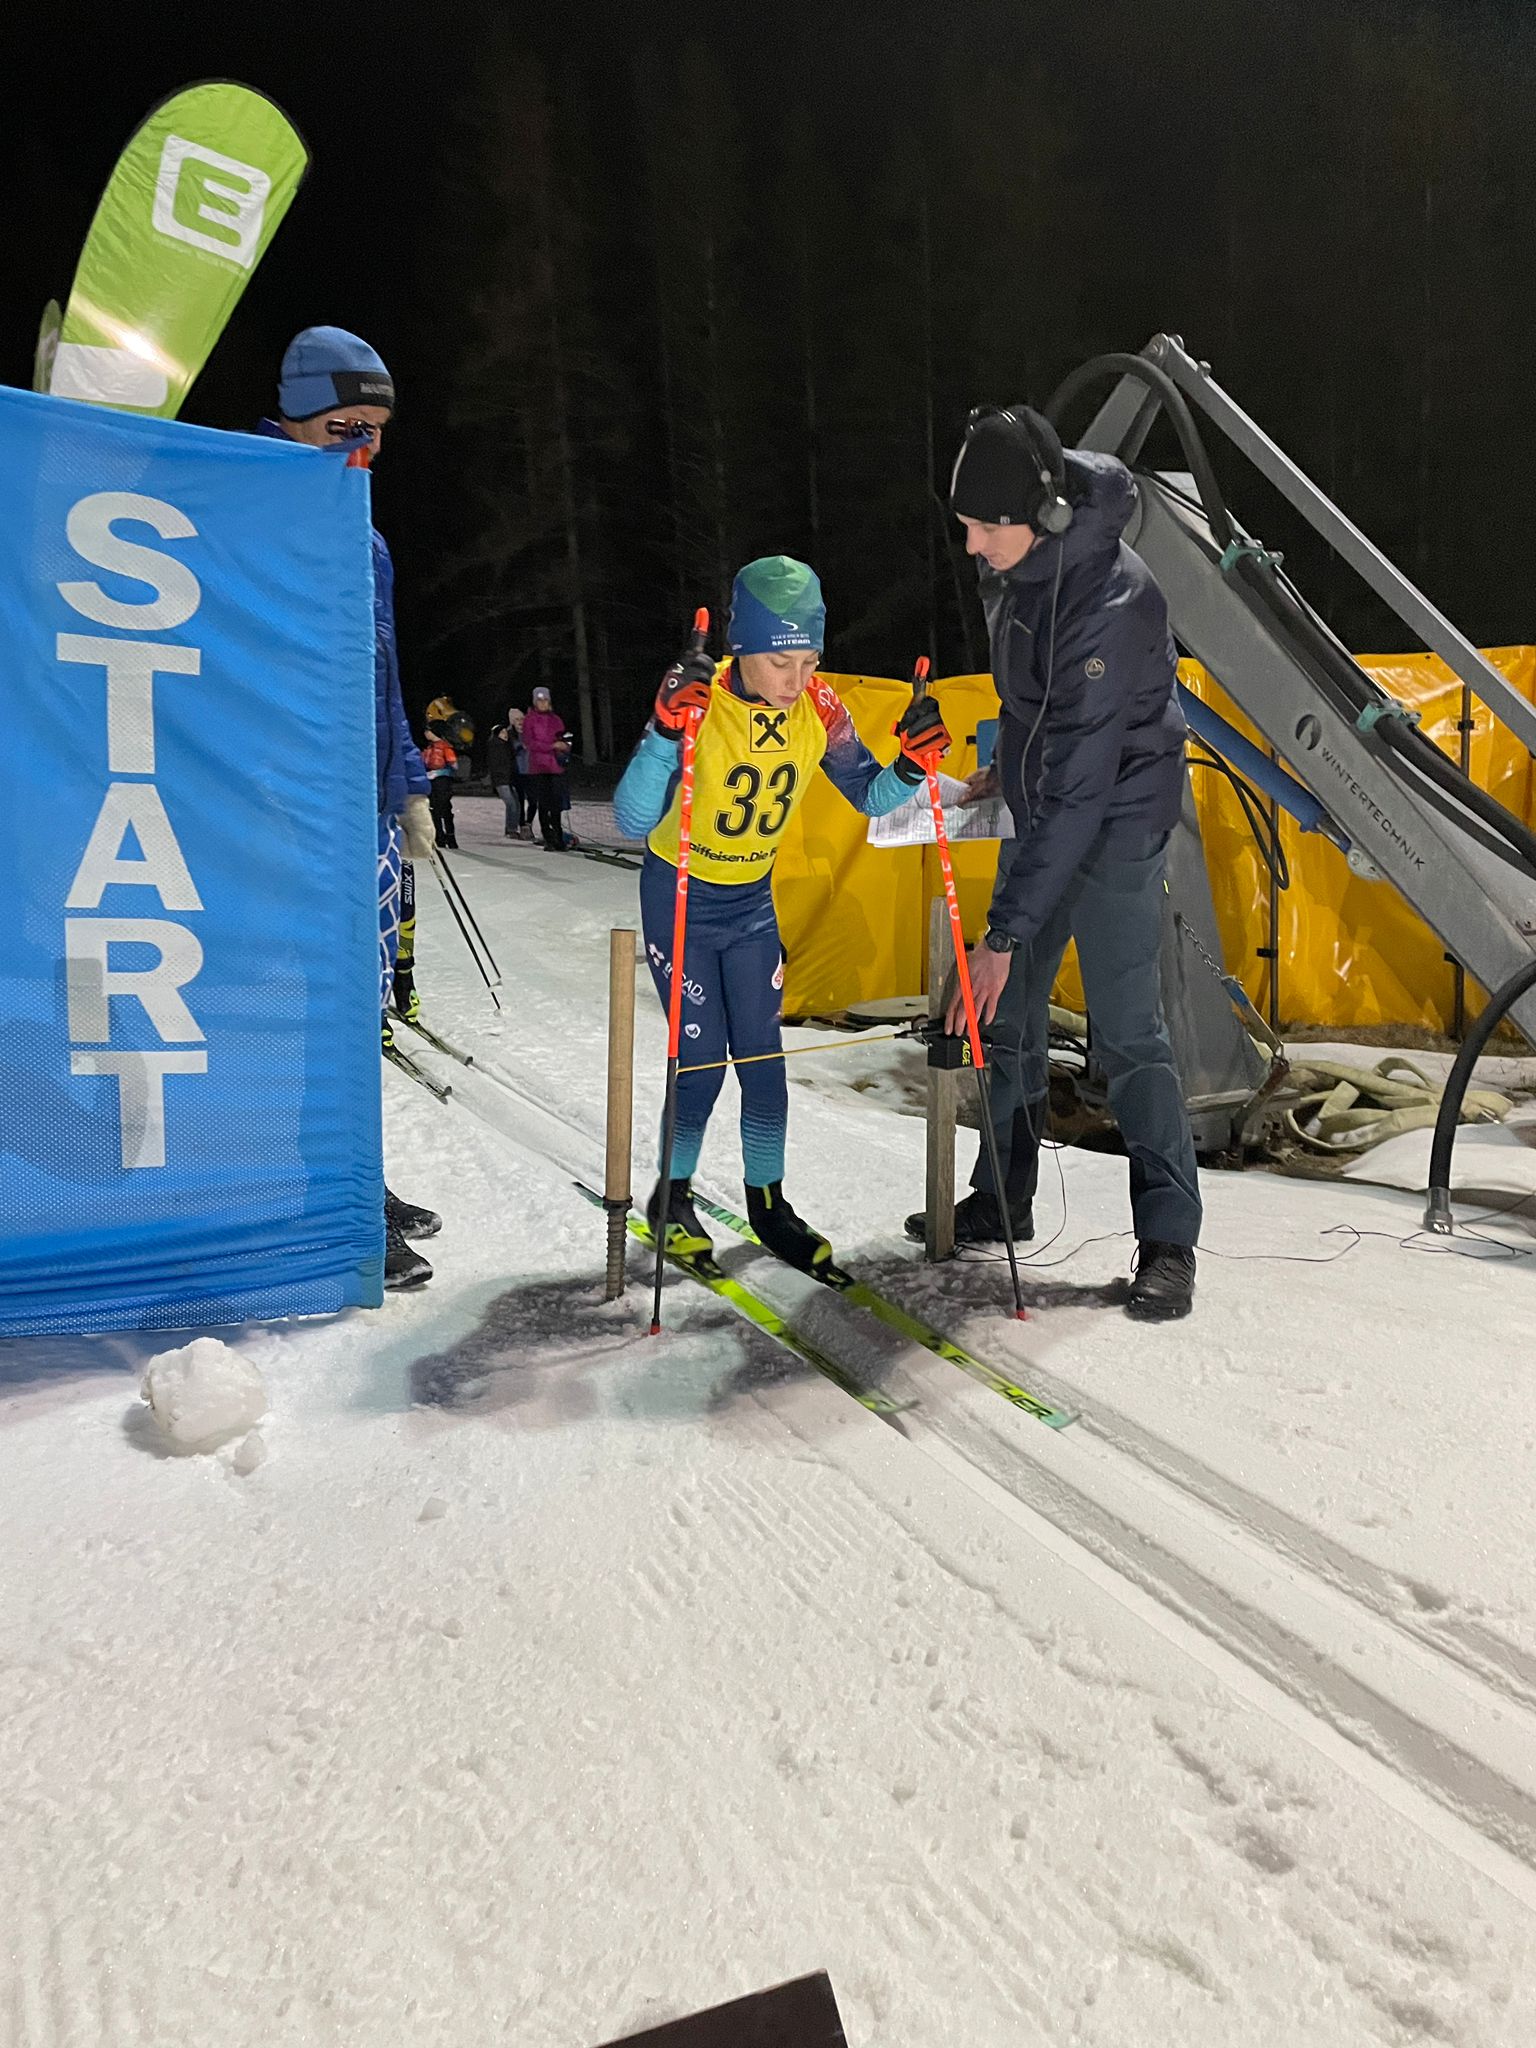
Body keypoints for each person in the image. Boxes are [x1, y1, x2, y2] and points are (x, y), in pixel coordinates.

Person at [906, 403, 1200, 1321]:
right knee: (1008, 1014)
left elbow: (1083, 784)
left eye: (983, 528)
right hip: (1053, 799)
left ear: (1044, 514)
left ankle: (1169, 1238)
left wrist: (1000, 936)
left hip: (1117, 818)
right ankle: (1005, 1196)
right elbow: (1036, 709)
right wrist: (1004, 768)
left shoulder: (1112, 601)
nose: (970, 545)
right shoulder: (1020, 557)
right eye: (964, 524)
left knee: (1126, 1028)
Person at [614, 556, 948, 1268]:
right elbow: (632, 819)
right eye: (779, 662)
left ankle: (769, 1204)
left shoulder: (821, 707)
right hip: (682, 897)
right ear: (740, 649)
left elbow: (871, 798)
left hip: (750, 903)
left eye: (810, 661)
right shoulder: (700, 699)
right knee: (701, 1061)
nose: (797, 681)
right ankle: (671, 1197)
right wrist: (664, 733)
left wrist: (911, 765)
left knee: (763, 1063)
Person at [261, 325, 441, 1290]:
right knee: (310, 1013)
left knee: (360, 1013)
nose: (363, 448)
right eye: (343, 427)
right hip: (290, 812)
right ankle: (320, 1195)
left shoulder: (365, 535)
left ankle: (353, 1173)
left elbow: (387, 679)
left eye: (376, 430)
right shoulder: (247, 506)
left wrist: (409, 785)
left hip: (363, 815)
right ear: (295, 416)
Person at [522, 686, 572, 849]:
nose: (543, 703)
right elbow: (529, 743)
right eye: (539, 700)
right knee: (544, 803)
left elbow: (564, 737)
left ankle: (558, 836)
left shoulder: (556, 719)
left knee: (556, 804)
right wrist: (551, 746)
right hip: (539, 767)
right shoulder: (530, 720)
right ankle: (549, 838)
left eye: (545, 700)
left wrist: (565, 746)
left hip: (556, 766)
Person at [422, 720, 459, 848]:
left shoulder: (445, 747)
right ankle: (439, 837)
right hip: (431, 780)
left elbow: (454, 765)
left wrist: (440, 771)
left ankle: (450, 836)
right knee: (434, 810)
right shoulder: (429, 747)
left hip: (442, 781)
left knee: (444, 808)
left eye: (428, 731)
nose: (426, 733)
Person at [487, 722, 521, 838]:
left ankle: (512, 828)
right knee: (511, 804)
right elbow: (496, 765)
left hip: (509, 779)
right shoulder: (495, 747)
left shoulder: (506, 746)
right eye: (502, 732)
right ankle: (511, 829)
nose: (505, 734)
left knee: (516, 804)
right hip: (501, 780)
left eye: (505, 732)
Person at [507, 708, 535, 837]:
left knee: (533, 800)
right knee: (519, 801)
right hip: (517, 772)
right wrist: (520, 746)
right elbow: (506, 752)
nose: (520, 722)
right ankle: (521, 825)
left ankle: (528, 823)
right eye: (517, 719)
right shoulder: (508, 734)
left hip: (531, 772)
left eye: (522, 719)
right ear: (512, 722)